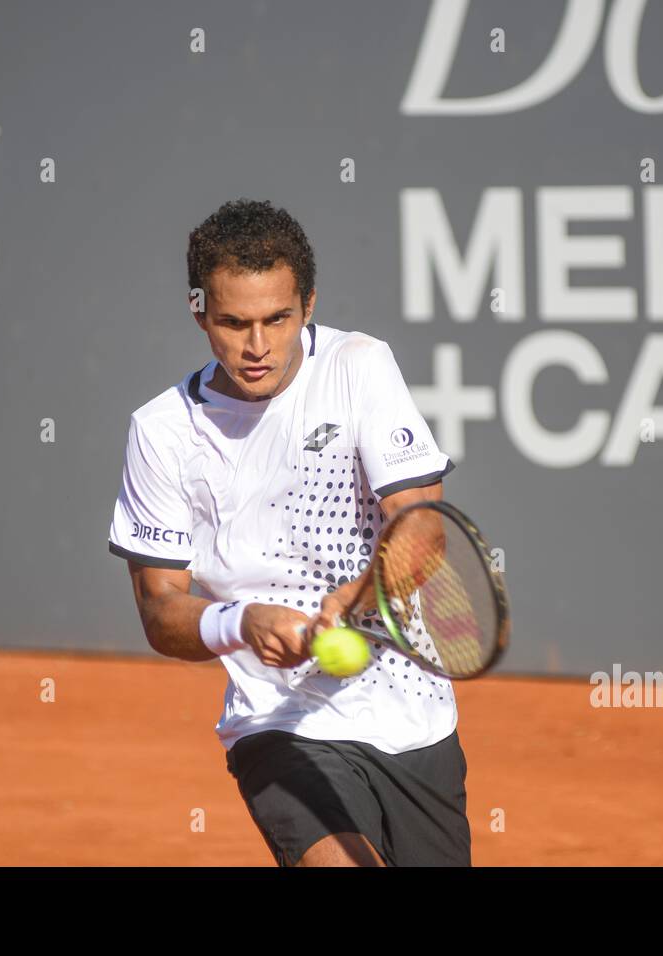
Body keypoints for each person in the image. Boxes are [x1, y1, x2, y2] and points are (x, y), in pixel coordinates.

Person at [107, 198, 470, 866]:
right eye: (233, 322)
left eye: (277, 319)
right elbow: (160, 611)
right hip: (277, 723)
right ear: (198, 311)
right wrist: (241, 622)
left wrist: (355, 600)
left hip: (413, 715)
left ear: (307, 304)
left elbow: (422, 531)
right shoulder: (161, 431)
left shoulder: (359, 365)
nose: (257, 346)